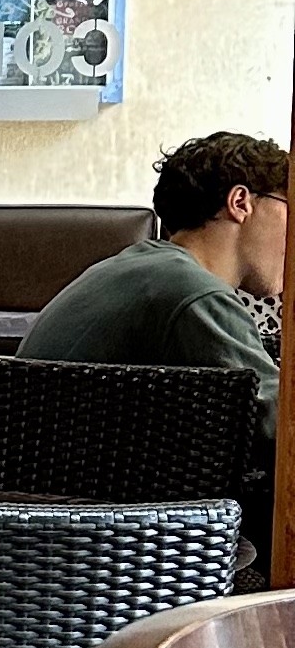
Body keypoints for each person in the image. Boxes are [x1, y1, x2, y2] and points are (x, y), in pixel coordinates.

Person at [20, 129, 284, 541]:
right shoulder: (193, 295)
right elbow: (281, 429)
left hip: (44, 521)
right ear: (240, 203)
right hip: (109, 540)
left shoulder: (136, 268)